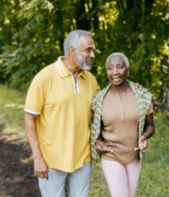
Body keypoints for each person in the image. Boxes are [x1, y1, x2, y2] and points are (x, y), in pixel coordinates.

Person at [24, 30, 144, 197]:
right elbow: (30, 118)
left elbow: (103, 112)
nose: (93, 55)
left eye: (93, 50)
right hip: (52, 159)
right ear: (72, 51)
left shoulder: (90, 79)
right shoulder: (45, 77)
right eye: (88, 50)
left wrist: (132, 90)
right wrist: (37, 157)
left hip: (83, 157)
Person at [91, 52, 155, 197]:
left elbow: (151, 125)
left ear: (127, 70)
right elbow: (96, 130)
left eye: (119, 67)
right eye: (110, 68)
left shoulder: (143, 96)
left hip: (134, 156)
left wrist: (144, 137)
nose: (115, 72)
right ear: (106, 71)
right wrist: (98, 142)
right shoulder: (99, 100)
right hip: (110, 155)